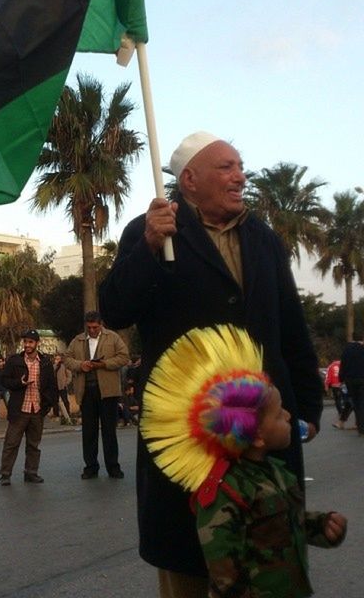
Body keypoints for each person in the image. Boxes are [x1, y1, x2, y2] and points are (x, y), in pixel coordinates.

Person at [99, 132, 324, 596]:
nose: (240, 176)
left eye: (240, 166)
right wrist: (147, 246)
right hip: (191, 429)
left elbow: (291, 330)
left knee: (267, 554)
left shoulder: (262, 238)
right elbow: (117, 310)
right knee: (188, 559)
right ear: (189, 179)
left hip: (263, 424)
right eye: (226, 167)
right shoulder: (152, 228)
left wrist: (307, 410)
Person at [141, 325, 347, 598]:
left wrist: (322, 526)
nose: (288, 416)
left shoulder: (277, 472)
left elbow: (286, 524)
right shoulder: (226, 493)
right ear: (258, 436)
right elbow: (224, 573)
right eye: (278, 414)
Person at [64, 311, 130, 479]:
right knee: (89, 432)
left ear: (101, 324)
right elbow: (66, 358)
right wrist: (80, 365)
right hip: (86, 391)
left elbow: (124, 357)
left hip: (108, 392)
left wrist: (104, 364)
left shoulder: (113, 338)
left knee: (109, 431)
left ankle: (113, 467)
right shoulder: (78, 340)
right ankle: (91, 467)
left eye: (95, 327)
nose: (92, 330)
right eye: (89, 327)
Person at [0, 329, 57, 486]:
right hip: (19, 410)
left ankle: (31, 472)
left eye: (30, 342)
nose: (27, 345)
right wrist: (19, 383)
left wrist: (48, 405)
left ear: (37, 343)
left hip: (37, 410)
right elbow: (4, 380)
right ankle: (5, 474)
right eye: (25, 342)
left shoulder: (44, 363)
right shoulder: (14, 361)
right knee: (11, 443)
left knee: (33, 445)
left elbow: (52, 386)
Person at [339, 331, 364, 435]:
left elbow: (342, 365)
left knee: (356, 402)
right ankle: (361, 427)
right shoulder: (362, 349)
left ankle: (360, 427)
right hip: (362, 378)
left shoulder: (347, 349)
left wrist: (341, 379)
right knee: (362, 403)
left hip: (350, 380)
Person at [324, 359, 352, 429]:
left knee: (337, 400)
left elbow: (328, 377)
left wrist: (326, 385)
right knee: (348, 399)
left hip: (335, 386)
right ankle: (344, 412)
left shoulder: (331, 366)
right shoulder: (344, 365)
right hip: (344, 384)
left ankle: (340, 412)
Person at [52, 353, 73, 424]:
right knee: (55, 401)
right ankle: (56, 414)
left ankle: (67, 414)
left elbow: (69, 375)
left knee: (65, 400)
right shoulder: (53, 367)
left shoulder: (64, 366)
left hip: (62, 386)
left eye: (58, 359)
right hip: (54, 386)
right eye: (56, 359)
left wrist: (66, 383)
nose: (57, 360)